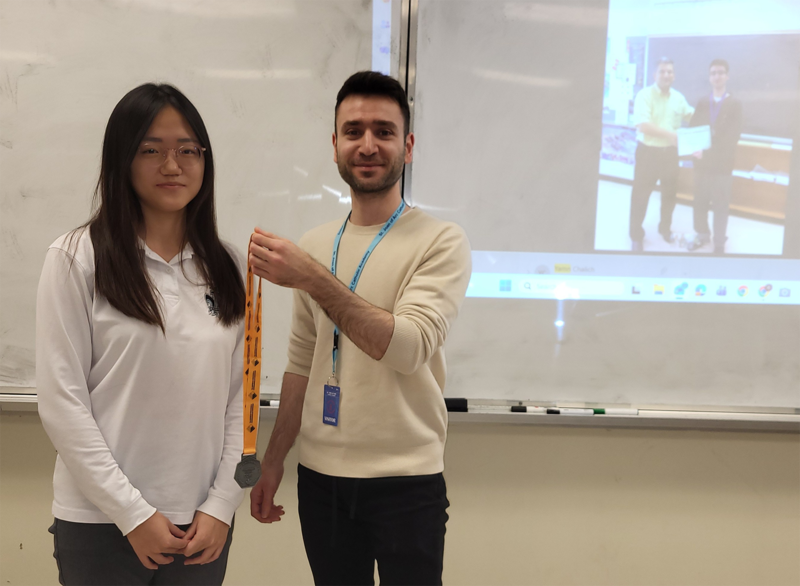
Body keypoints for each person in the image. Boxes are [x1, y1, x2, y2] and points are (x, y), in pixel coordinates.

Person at [248, 71, 472, 586]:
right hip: (321, 480)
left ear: (407, 146)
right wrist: (274, 459)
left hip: (406, 482)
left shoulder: (440, 241)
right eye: (353, 131)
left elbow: (407, 347)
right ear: (335, 145)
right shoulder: (315, 243)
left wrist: (310, 277)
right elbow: (301, 361)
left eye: (383, 132)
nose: (367, 145)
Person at [36, 83, 246, 585]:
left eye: (188, 150)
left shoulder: (229, 265)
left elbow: (241, 400)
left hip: (202, 526)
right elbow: (62, 403)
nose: (172, 165)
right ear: (122, 160)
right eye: (151, 150)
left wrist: (222, 504)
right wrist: (132, 514)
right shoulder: (75, 258)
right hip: (101, 523)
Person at [629, 57, 695, 251]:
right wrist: (672, 135)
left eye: (670, 72)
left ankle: (665, 228)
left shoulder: (678, 98)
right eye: (662, 71)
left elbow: (692, 115)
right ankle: (636, 235)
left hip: (670, 155)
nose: (666, 75)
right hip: (648, 153)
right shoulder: (644, 95)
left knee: (669, 195)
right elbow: (643, 125)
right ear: (654, 75)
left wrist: (712, 116)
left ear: (674, 76)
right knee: (640, 196)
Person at [687, 59, 742, 254]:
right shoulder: (703, 102)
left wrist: (706, 151)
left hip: (722, 165)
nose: (717, 76)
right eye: (713, 73)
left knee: (721, 204)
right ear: (709, 78)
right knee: (699, 201)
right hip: (702, 164)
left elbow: (732, 137)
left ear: (727, 76)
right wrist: (692, 146)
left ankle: (719, 242)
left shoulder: (735, 104)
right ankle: (702, 235)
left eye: (720, 73)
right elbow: (693, 128)